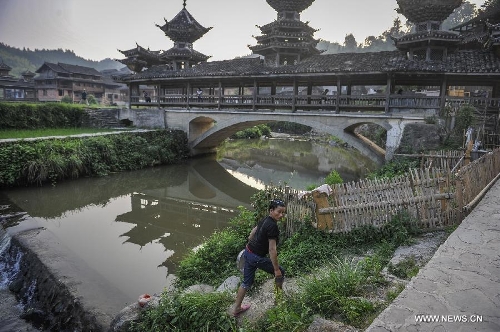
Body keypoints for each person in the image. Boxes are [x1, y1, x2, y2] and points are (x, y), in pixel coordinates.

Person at [232, 199, 286, 317]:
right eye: (279, 212)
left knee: (246, 282)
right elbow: (272, 250)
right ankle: (278, 302)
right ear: (271, 210)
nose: (281, 215)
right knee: (281, 272)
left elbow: (252, 232)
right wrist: (276, 269)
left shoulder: (265, 219)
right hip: (256, 257)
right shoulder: (272, 226)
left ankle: (236, 308)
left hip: (248, 252)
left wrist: (250, 242)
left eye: (283, 213)